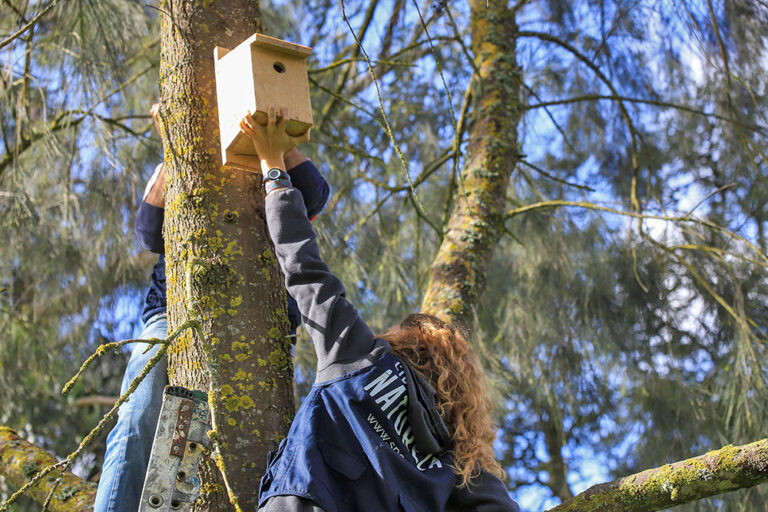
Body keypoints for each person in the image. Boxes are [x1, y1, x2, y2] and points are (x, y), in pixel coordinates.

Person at [243, 106, 520, 511]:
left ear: (406, 345)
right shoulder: (455, 465)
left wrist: (272, 164)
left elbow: (306, 269)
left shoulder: (361, 356)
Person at [94, 104, 330, 512]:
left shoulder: (274, 166)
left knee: (213, 450)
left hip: (261, 325)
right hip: (172, 316)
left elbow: (315, 194)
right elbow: (150, 229)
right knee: (140, 416)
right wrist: (175, 142)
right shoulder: (184, 163)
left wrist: (272, 136)